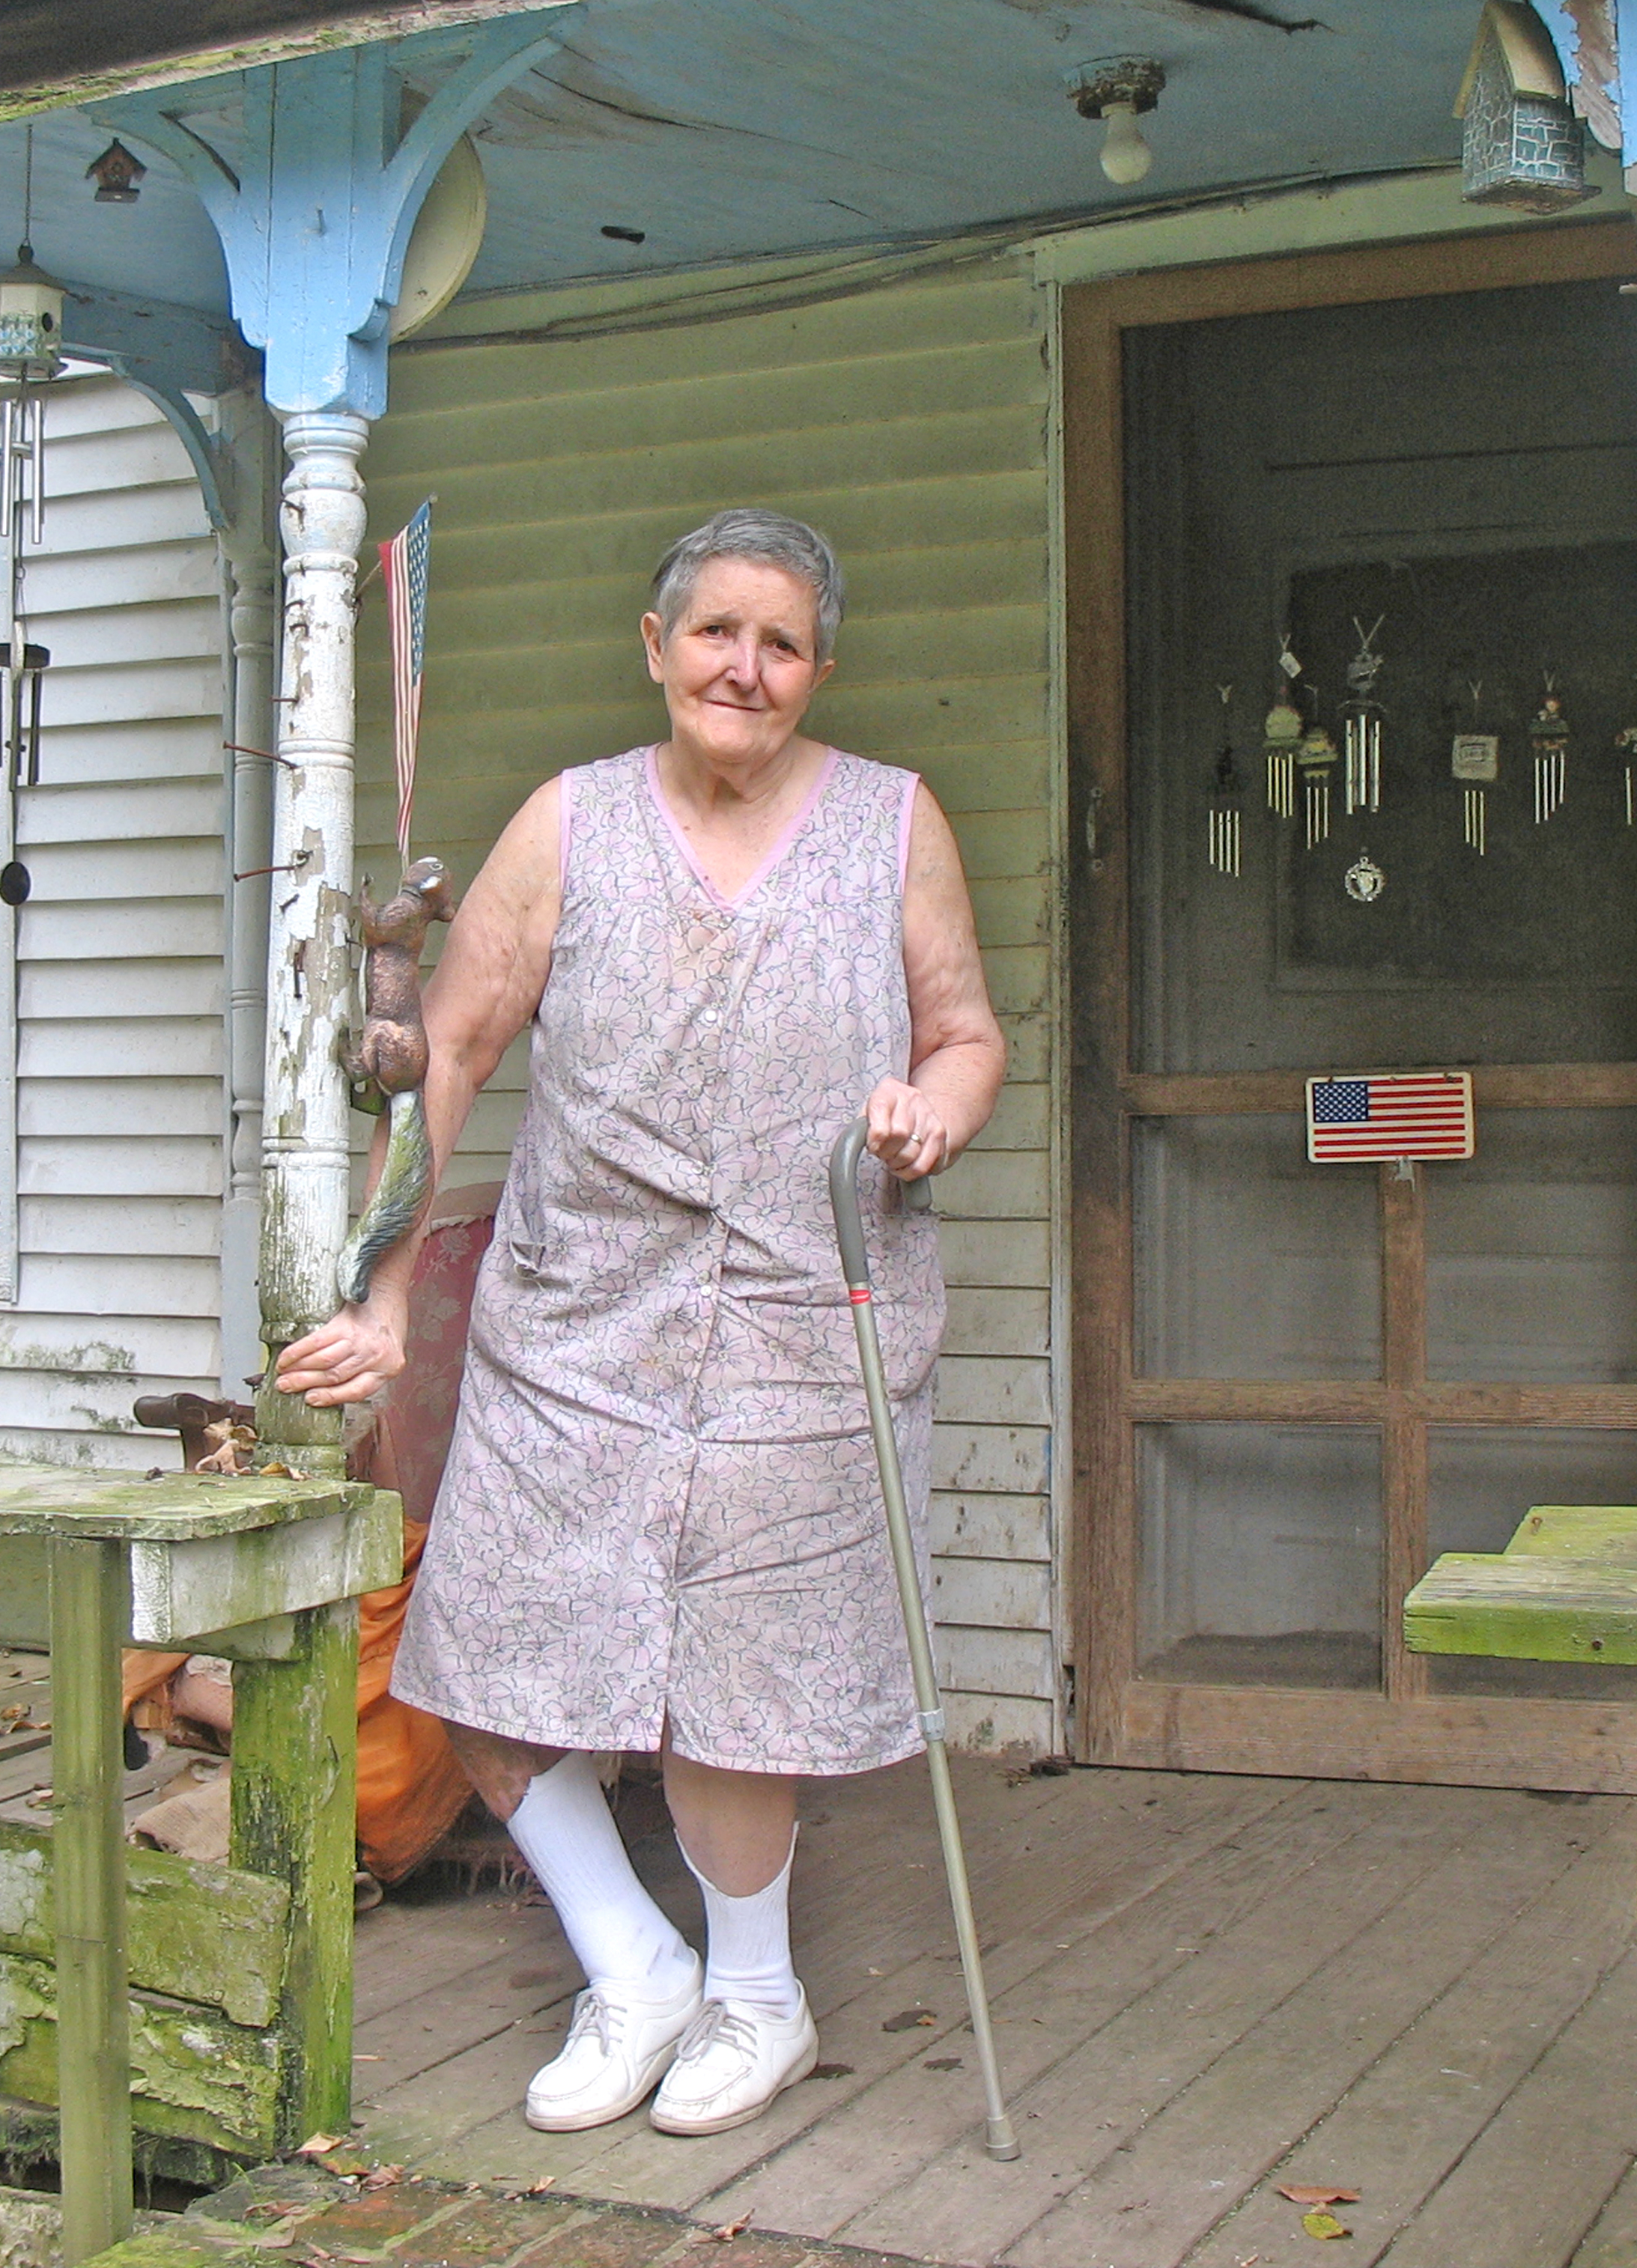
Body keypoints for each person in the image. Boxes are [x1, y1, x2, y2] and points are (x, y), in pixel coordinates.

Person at [273, 508, 1006, 2138]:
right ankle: (634, 1965)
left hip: (807, 1315)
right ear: (657, 645)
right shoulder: (569, 825)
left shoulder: (891, 822)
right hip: (581, 1319)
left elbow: (965, 1034)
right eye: (716, 632)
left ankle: (757, 1996)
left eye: (784, 641)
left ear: (820, 667)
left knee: (747, 1679)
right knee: (484, 1639)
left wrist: (932, 1116)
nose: (745, 667)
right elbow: (448, 1054)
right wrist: (388, 1297)